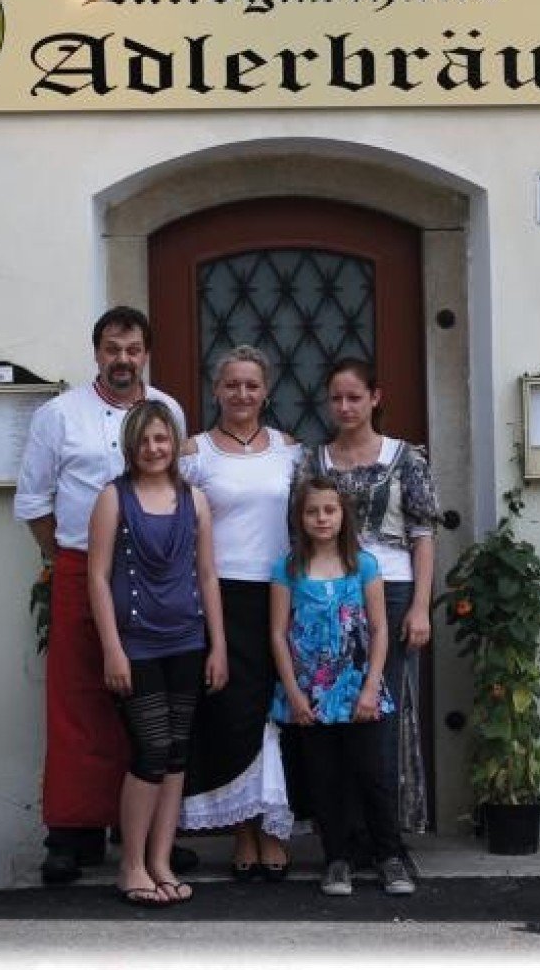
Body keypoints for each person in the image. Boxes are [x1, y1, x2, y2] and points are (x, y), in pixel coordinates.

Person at [13, 305, 197, 885]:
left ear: (146, 353)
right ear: (97, 353)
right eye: (112, 349)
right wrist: (71, 560)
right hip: (80, 567)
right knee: (79, 700)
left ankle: (140, 836)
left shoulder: (168, 411)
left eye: (133, 349)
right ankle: (72, 833)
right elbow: (34, 505)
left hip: (157, 572)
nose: (123, 360)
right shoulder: (58, 415)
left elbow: (180, 486)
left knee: (152, 701)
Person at [292, 358, 440, 844]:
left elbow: (422, 533)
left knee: (382, 706)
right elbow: (296, 528)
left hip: (391, 590)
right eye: (336, 398)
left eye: (354, 397)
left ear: (375, 397)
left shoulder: (405, 457)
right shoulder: (315, 461)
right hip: (329, 591)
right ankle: (344, 832)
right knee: (333, 705)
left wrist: (420, 605)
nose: (344, 406)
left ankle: (387, 832)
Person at [86, 400, 228, 905]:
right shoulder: (112, 498)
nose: (153, 448)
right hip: (136, 645)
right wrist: (112, 649)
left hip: (187, 641)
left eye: (162, 439)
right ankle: (130, 866)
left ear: (175, 444)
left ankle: (160, 861)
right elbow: (97, 578)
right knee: (149, 751)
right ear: (131, 446)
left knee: (175, 754)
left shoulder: (195, 500)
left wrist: (219, 646)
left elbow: (208, 576)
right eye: (144, 440)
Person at [177, 346, 303, 880]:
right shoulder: (195, 452)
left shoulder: (289, 450)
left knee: (277, 709)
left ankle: (274, 829)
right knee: (232, 712)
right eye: (232, 385)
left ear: (266, 389)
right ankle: (242, 831)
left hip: (279, 590)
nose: (242, 395)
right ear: (216, 390)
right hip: (219, 593)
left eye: (252, 385)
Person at [270, 477, 414, 897]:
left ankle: (389, 856)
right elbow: (278, 634)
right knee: (325, 777)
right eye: (312, 511)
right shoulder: (288, 568)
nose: (321, 518)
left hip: (357, 691)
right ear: (300, 517)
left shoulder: (364, 564)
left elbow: (379, 628)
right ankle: (336, 859)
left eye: (329, 510)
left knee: (372, 772)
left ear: (342, 515)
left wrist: (371, 686)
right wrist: (293, 693)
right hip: (310, 695)